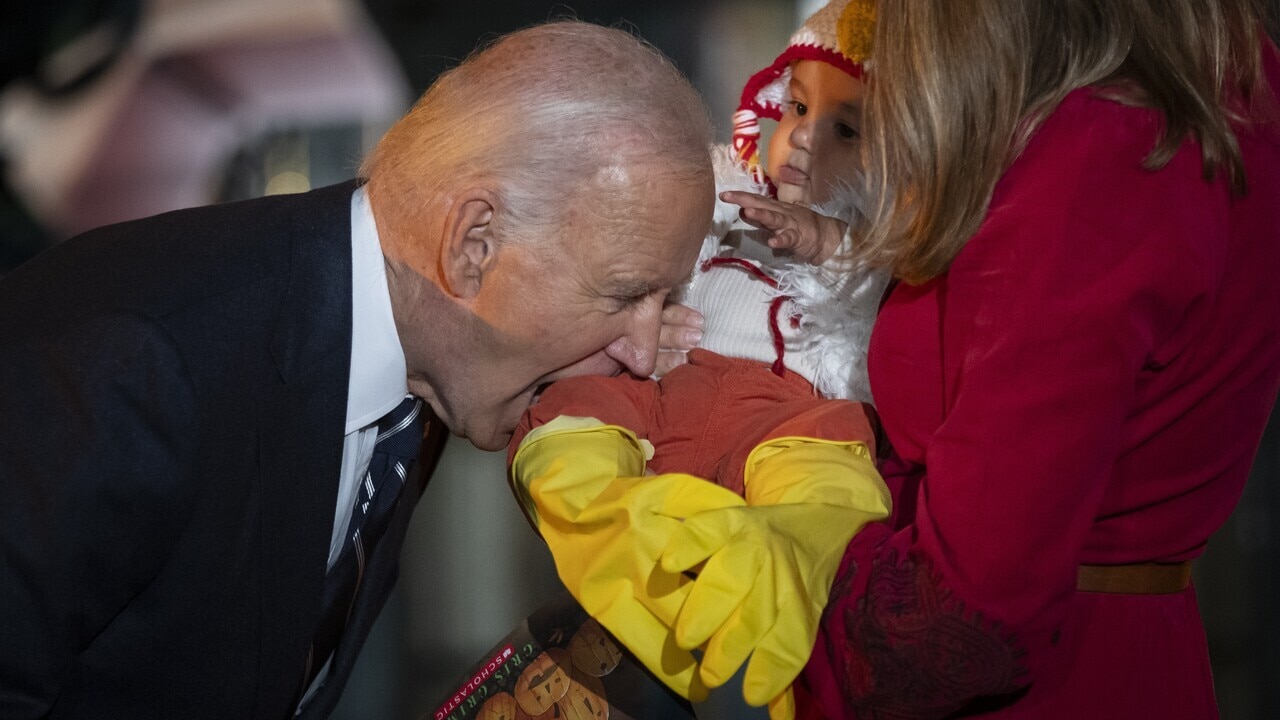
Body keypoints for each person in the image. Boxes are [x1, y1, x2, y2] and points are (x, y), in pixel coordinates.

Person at [522, 1, 1280, 718]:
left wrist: (768, 570)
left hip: (1034, 684)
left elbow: (969, 613)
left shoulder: (1093, 152)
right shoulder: (1231, 82)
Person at [0, 21, 720, 720]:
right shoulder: (132, 367)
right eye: (628, 295)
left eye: (667, 300)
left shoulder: (420, 366)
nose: (642, 346)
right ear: (474, 246)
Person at [506, 2, 892, 718]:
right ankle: (636, 528)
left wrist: (826, 241)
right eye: (796, 108)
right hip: (667, 393)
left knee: (836, 482)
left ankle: (772, 555)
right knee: (561, 427)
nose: (802, 140)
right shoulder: (726, 187)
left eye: (843, 129)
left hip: (784, 423)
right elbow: (653, 232)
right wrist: (655, 304)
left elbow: (887, 284)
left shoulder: (882, 249)